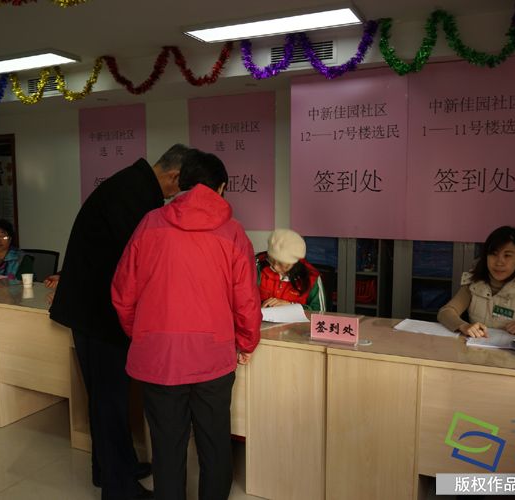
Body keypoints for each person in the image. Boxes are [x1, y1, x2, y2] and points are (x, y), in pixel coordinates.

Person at [111, 149, 261, 500]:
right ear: (221, 188)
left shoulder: (149, 223)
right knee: (215, 444)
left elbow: (122, 293)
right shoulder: (233, 232)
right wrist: (247, 342)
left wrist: (143, 335)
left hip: (159, 358)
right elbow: (246, 300)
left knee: (166, 447)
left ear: (181, 182)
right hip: (213, 357)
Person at [49, 143, 190, 500]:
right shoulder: (135, 195)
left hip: (92, 309)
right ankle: (119, 488)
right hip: (99, 314)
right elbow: (137, 265)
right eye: (180, 187)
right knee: (109, 401)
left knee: (105, 398)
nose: (176, 196)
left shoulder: (132, 184)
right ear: (174, 176)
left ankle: (111, 468)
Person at [256, 229, 326, 312]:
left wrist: (291, 306)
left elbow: (320, 313)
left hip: (297, 321)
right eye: (271, 260)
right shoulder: (256, 266)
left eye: (282, 264)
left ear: (295, 262)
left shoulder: (311, 277)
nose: (275, 267)